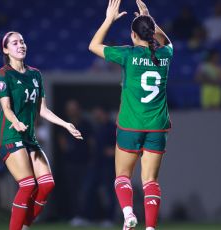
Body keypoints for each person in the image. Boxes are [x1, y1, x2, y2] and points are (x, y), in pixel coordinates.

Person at [88, 1, 173, 229]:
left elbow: (93, 46)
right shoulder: (166, 54)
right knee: (150, 181)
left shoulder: (128, 54)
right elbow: (166, 42)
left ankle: (128, 214)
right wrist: (150, 19)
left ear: (133, 35)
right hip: (157, 127)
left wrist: (108, 19)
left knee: (122, 176)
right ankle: (151, 227)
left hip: (130, 125)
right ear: (152, 33)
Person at [0, 31, 83, 230]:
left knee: (47, 184)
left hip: (29, 137)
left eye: (23, 41)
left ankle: (24, 225)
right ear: (6, 49)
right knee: (27, 185)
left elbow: (42, 110)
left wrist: (66, 124)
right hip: (11, 135)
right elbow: (6, 108)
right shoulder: (4, 74)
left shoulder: (35, 74)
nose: (21, 45)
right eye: (15, 43)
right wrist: (16, 122)